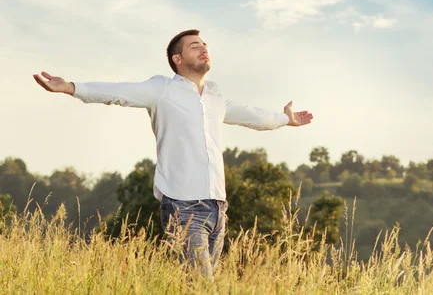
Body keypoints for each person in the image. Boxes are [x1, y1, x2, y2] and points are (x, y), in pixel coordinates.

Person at [32, 29, 313, 279]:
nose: (204, 48)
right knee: (203, 285)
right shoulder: (162, 90)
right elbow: (117, 92)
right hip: (183, 206)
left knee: (196, 285)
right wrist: (70, 87)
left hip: (218, 207)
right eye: (194, 46)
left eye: (204, 44)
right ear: (177, 59)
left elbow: (253, 116)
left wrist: (285, 119)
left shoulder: (215, 99)